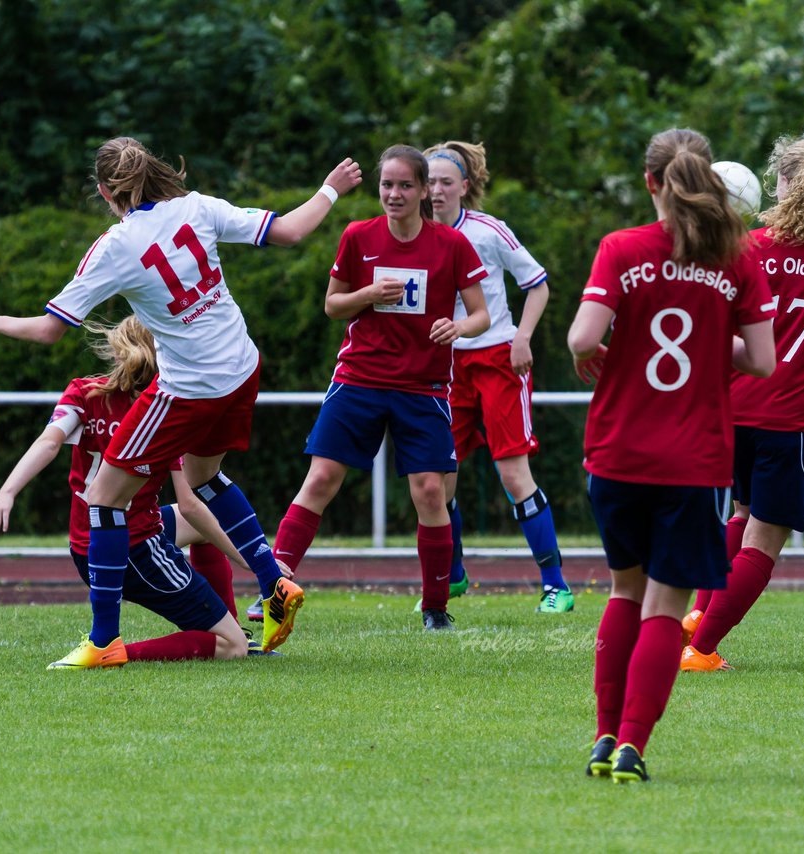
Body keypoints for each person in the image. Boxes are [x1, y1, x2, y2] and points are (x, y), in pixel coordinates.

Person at [0, 136, 362, 667]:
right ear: (153, 171)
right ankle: (272, 581)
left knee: (103, 499)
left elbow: (51, 330)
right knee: (203, 480)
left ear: (106, 191)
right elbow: (288, 230)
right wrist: (330, 190)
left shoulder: (114, 246)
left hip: (191, 387)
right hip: (242, 367)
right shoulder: (197, 207)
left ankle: (104, 643)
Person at [569, 128, 775, 783]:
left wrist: (589, 356)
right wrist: (718, 346)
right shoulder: (736, 257)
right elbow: (763, 361)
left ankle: (603, 737)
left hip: (617, 450)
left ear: (650, 181)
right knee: (665, 605)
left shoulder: (622, 248)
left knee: (626, 589)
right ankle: (633, 746)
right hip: (693, 460)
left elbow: (581, 338)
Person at [268, 143, 490, 632]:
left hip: (424, 385)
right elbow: (333, 305)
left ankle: (435, 609)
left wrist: (459, 328)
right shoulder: (357, 235)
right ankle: (273, 592)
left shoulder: (451, 245)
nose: (393, 193)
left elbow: (481, 315)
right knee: (322, 479)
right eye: (387, 184)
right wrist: (367, 295)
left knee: (431, 492)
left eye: (404, 185)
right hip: (360, 379)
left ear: (424, 190)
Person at [0, 316, 263, 666]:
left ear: (116, 352)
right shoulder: (163, 409)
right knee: (228, 645)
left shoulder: (84, 392)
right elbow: (189, 504)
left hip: (88, 544)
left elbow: (48, 443)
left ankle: (230, 627)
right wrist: (251, 561)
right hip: (134, 547)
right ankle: (120, 654)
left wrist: (7, 493)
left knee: (201, 531)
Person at [681, 134, 804, 671]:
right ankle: (700, 651)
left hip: (735, 407)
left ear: (784, 185)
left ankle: (697, 616)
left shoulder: (748, 247)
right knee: (766, 539)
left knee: (742, 513)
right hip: (795, 417)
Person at [422, 140, 570, 614]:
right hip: (445, 369)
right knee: (437, 480)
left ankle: (555, 586)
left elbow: (538, 285)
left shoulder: (488, 231)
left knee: (512, 474)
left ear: (465, 186)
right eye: (430, 181)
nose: (437, 190)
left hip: (497, 361)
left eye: (447, 181)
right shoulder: (414, 236)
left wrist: (522, 337)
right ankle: (455, 574)